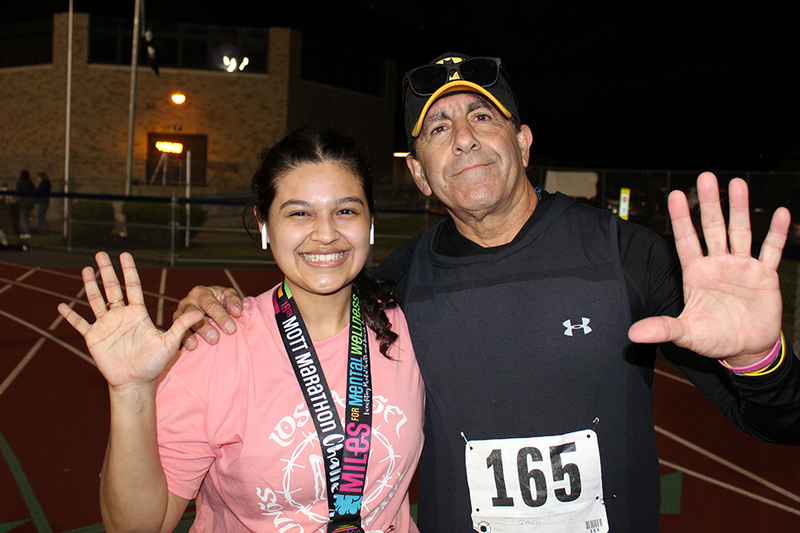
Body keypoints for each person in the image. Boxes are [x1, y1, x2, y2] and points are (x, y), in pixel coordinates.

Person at [174, 54, 800, 533]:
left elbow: (780, 421)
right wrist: (211, 309)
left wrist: (757, 359)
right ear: (418, 173)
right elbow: (304, 302)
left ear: (524, 142)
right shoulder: (397, 287)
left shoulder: (627, 255)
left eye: (482, 116)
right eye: (438, 126)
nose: (464, 137)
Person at [58, 128, 425, 532]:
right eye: (299, 212)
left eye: (346, 211)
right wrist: (130, 393)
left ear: (370, 220)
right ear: (264, 224)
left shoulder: (406, 324)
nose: (325, 233)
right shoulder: (218, 346)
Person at [15, 170, 35, 238]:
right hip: (30, 202)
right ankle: (24, 232)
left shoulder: (19, 183)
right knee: (27, 218)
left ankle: (26, 232)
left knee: (23, 218)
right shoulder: (31, 183)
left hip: (23, 202)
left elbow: (17, 192)